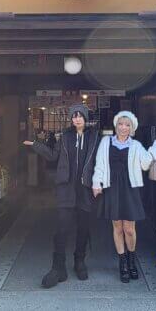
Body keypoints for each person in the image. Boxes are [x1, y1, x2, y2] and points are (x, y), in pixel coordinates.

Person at [23, 104, 101, 288]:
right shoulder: (65, 137)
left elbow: (102, 161)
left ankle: (79, 261)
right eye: (73, 116)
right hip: (66, 188)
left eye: (79, 115)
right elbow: (52, 156)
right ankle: (58, 267)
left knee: (83, 228)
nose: (76, 119)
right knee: (62, 229)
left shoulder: (93, 137)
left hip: (85, 189)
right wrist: (36, 145)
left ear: (84, 117)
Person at [92, 111, 156, 283]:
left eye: (127, 125)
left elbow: (146, 163)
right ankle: (122, 263)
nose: (123, 127)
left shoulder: (136, 145)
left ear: (132, 128)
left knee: (129, 228)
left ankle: (132, 259)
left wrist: (155, 147)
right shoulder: (105, 141)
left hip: (130, 188)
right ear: (116, 126)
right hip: (112, 187)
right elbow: (100, 163)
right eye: (120, 124)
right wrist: (96, 183)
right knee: (117, 226)